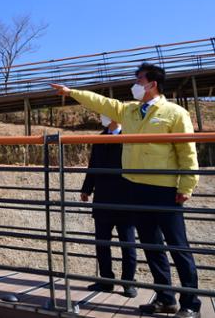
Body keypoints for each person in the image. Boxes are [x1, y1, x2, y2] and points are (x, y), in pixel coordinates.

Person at [52, 63, 201, 318]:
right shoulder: (129, 110)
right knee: (152, 246)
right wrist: (71, 92)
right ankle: (166, 298)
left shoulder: (175, 113)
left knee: (178, 247)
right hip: (136, 188)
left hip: (165, 190)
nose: (134, 83)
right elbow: (101, 102)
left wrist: (187, 185)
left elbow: (187, 152)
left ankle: (191, 303)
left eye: (138, 79)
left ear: (152, 83)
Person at [81, 116, 137, 298]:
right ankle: (106, 281)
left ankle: (128, 283)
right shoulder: (100, 138)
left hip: (126, 200)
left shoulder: (129, 136)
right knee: (102, 243)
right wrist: (86, 189)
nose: (102, 117)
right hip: (103, 199)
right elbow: (93, 165)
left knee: (127, 245)